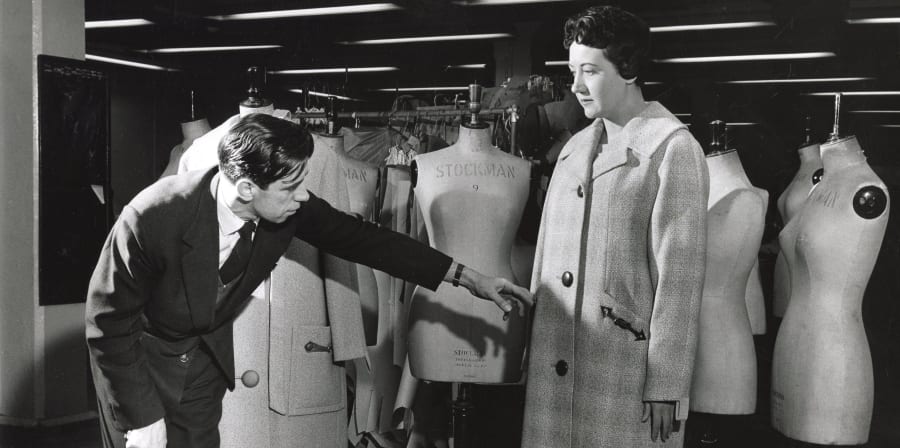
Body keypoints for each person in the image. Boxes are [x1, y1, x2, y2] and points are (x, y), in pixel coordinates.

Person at [85, 113, 532, 448]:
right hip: (137, 363)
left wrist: (467, 277)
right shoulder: (153, 216)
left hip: (202, 361)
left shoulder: (285, 206)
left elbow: (365, 240)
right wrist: (143, 420)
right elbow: (107, 325)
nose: (304, 197)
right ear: (245, 189)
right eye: (291, 188)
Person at [521, 6, 708, 448]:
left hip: (623, 371)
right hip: (554, 362)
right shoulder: (571, 152)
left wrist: (666, 385)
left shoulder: (671, 149)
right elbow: (546, 262)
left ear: (628, 69)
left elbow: (679, 283)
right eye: (572, 71)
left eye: (590, 71)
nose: (576, 86)